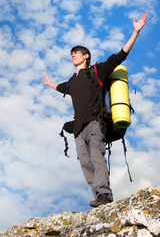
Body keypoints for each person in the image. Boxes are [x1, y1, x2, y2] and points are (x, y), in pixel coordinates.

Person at [43, 13, 148, 207]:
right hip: (78, 130)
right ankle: (100, 198)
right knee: (85, 164)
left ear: (86, 56)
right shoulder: (72, 82)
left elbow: (119, 56)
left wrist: (135, 32)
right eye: (71, 54)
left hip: (95, 124)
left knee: (96, 156)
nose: (72, 55)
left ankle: (105, 194)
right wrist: (50, 83)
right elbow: (62, 88)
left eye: (76, 53)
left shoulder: (96, 72)